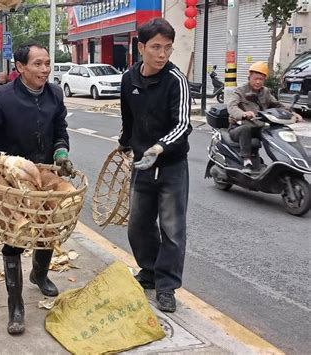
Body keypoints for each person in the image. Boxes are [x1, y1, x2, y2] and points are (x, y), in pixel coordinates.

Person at [0, 40, 73, 335]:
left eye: (47, 63)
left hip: (45, 176)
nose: (45, 69)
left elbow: (60, 130)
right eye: (37, 64)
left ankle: (40, 274)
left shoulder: (54, 94)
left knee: (49, 229)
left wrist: (61, 151)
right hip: (12, 182)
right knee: (14, 238)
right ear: (20, 67)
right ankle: (16, 305)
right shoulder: (2, 96)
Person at [118, 18, 192, 313]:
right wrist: (125, 142)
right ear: (141, 48)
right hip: (142, 165)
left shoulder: (176, 80)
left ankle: (166, 286)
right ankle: (148, 271)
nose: (162, 54)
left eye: (168, 48)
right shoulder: (129, 79)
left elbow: (184, 123)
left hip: (171, 164)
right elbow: (129, 118)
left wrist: (160, 147)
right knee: (138, 224)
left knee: (172, 229)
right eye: (156, 47)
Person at [228, 61, 302, 173]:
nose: (258, 82)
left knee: (276, 132)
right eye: (255, 78)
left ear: (264, 80)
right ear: (249, 78)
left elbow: (278, 105)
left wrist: (293, 113)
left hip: (257, 127)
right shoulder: (240, 91)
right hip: (238, 128)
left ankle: (283, 160)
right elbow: (232, 106)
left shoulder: (265, 92)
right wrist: (243, 114)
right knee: (245, 129)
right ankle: (246, 161)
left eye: (261, 79)